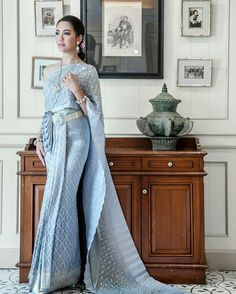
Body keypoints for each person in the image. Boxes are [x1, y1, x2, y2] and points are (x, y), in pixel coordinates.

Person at [28, 14, 185, 294]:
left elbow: (96, 115)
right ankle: (54, 272)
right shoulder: (48, 71)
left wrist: (78, 92)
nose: (60, 38)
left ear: (79, 39)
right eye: (57, 33)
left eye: (66, 33)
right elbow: (47, 110)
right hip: (53, 141)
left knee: (61, 201)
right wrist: (39, 138)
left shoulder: (87, 72)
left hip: (77, 141)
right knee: (57, 202)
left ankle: (60, 274)